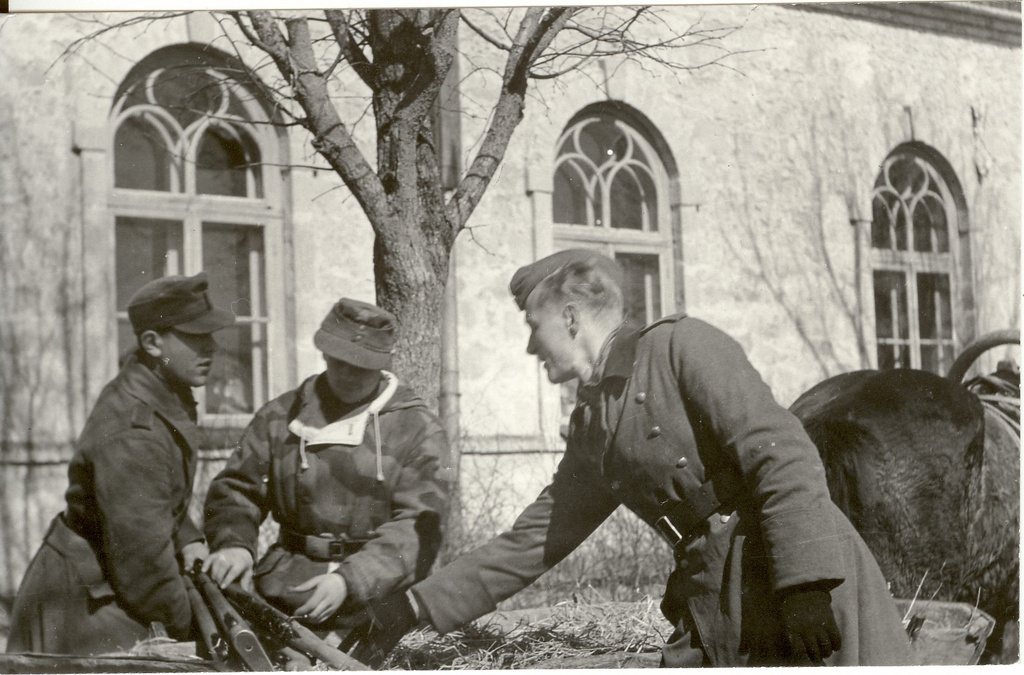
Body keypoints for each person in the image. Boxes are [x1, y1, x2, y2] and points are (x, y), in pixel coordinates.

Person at [350, 249, 914, 667]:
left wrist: (806, 585)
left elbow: (784, 456)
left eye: (532, 327)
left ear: (570, 318)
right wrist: (410, 608)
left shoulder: (682, 348)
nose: (529, 347)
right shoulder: (593, 424)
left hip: (798, 579)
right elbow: (533, 541)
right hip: (717, 595)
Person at [201, 298, 450, 661]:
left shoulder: (417, 429)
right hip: (285, 592)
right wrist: (234, 543)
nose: (347, 375)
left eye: (361, 367)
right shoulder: (281, 416)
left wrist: (351, 579)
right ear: (324, 355)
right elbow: (237, 489)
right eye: (339, 362)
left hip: (382, 600)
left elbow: (419, 527)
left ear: (382, 366)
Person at [6, 272, 235, 655]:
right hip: (82, 606)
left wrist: (189, 538)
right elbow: (145, 567)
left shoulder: (161, 390)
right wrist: (192, 625)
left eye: (209, 335)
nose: (210, 347)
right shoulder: (134, 429)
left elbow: (153, 499)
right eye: (195, 338)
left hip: (106, 583)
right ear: (151, 342)